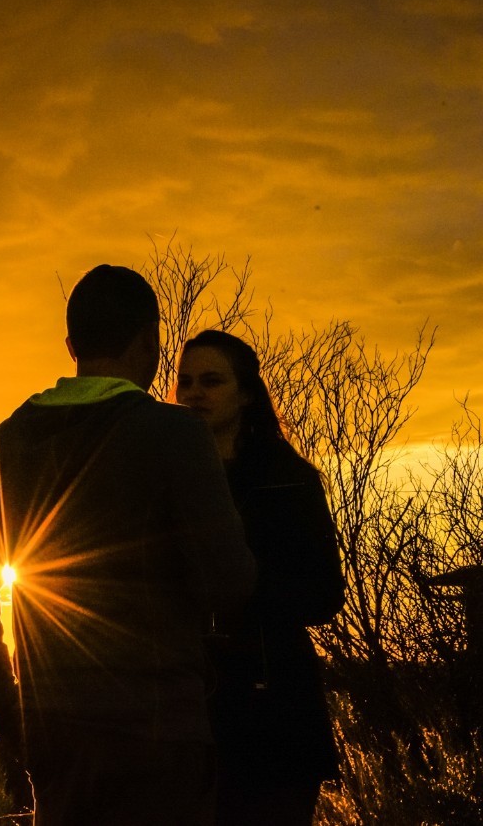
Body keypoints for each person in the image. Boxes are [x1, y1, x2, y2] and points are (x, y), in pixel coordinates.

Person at [0, 266, 257, 826]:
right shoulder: (175, 435)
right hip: (160, 737)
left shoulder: (6, 442)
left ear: (71, 346)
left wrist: (11, 713)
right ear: (149, 344)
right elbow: (229, 582)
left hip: (55, 737)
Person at [176, 330, 344, 826]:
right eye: (185, 382)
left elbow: (324, 594)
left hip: (274, 714)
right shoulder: (169, 475)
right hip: (188, 714)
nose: (194, 394)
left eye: (211, 381)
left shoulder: (289, 479)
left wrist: (244, 590)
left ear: (247, 392)